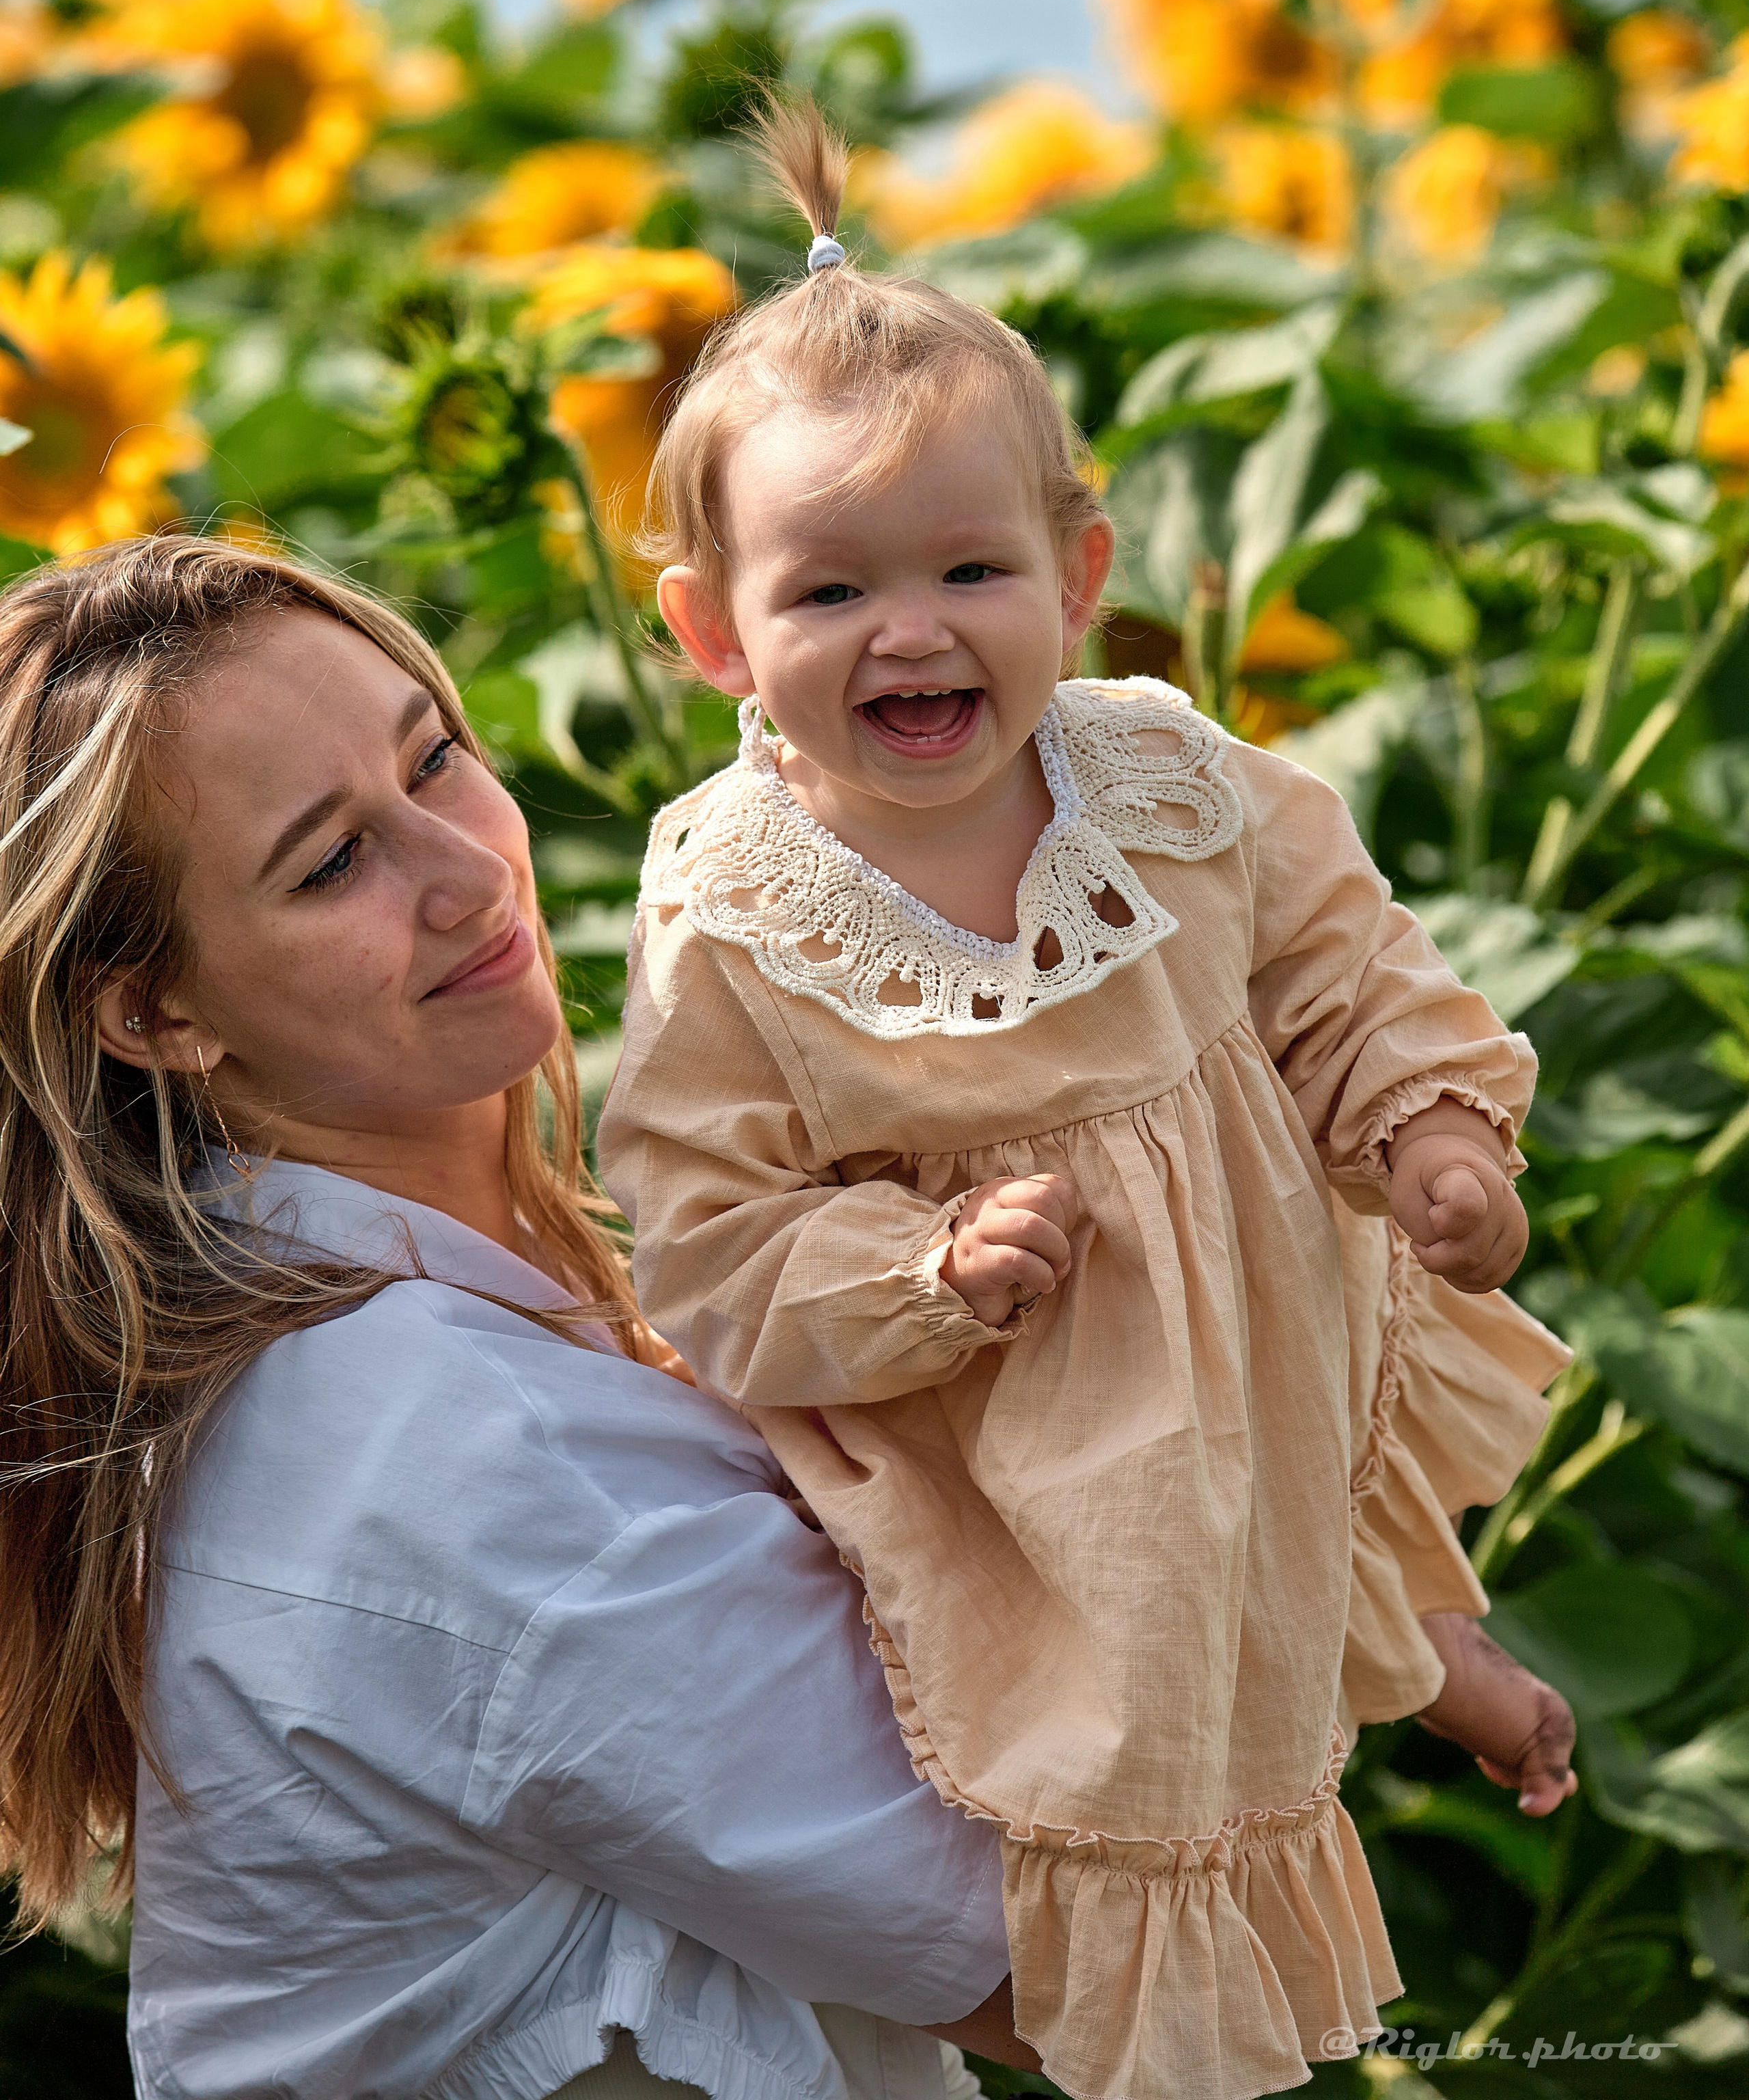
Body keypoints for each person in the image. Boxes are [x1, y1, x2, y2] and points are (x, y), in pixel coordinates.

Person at [597, 100, 1580, 2100]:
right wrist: (923, 1266)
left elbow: (1335, 960)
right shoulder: (734, 907)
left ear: (1082, 572)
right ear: (714, 636)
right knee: (1119, 1715)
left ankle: (1418, 1654)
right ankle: (1172, 2028)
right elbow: (706, 1228)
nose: (914, 630)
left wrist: (1430, 1127)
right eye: (829, 592)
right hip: (1014, 1424)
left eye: (972, 565)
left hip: (1263, 1320)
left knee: (1287, 1538)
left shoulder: (1166, 774)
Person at [0, 536, 1030, 2100]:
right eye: (331, 862)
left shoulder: (282, 1326)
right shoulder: (474, 1452)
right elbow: (1077, 1963)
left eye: (437, 759)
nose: (471, 868)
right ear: (155, 1013)